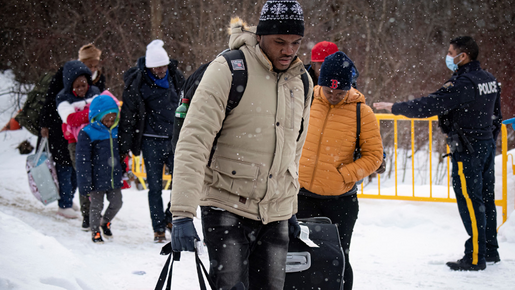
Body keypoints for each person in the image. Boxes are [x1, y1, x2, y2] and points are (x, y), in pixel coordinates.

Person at [169, 0, 312, 288]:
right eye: (280, 41)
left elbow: (293, 151)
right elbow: (194, 141)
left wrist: (290, 206)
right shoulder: (229, 69)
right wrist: (182, 213)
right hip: (225, 205)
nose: (289, 50)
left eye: (296, 42)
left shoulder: (302, 81)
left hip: (276, 212)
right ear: (260, 36)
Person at [373, 36, 502, 271]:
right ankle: (490, 250)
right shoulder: (489, 80)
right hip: (484, 147)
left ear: (463, 56)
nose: (448, 56)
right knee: (485, 200)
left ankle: (475, 257)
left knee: (471, 203)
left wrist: (396, 108)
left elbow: (430, 105)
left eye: (451, 52)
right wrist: (487, 141)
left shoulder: (464, 84)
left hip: (468, 150)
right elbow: (497, 117)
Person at [297, 51, 383, 290]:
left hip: (340, 201)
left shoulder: (361, 112)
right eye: (329, 90)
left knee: (338, 258)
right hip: (301, 196)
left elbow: (374, 156)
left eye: (340, 91)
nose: (333, 96)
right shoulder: (305, 100)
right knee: (299, 256)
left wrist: (344, 175)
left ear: (349, 87)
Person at [118, 39, 185, 243]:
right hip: (150, 141)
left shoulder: (175, 77)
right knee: (155, 187)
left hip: (174, 139)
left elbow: (189, 101)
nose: (161, 70)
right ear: (149, 67)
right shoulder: (137, 84)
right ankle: (158, 228)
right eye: (157, 67)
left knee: (181, 183)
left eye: (164, 66)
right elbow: (128, 118)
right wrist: (124, 147)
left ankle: (170, 218)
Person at [40, 43, 105, 220]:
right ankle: (65, 203)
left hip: (86, 131)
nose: (93, 68)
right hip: (61, 127)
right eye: (89, 64)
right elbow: (49, 99)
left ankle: (68, 197)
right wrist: (45, 124)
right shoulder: (64, 74)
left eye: (95, 64)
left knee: (79, 166)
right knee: (65, 165)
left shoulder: (98, 78)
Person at [55, 60, 100, 230]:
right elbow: (70, 119)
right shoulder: (63, 98)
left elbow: (104, 112)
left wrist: (85, 114)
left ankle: (95, 211)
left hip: (96, 139)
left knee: (96, 177)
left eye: (84, 85)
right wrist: (91, 112)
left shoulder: (94, 92)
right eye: (77, 87)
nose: (81, 89)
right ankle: (87, 215)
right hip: (76, 143)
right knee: (83, 177)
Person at [76, 94, 123, 244]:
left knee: (117, 202)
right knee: (96, 206)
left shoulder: (116, 131)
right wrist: (85, 183)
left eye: (112, 119)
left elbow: (120, 154)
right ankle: (95, 231)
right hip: (96, 178)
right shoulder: (88, 133)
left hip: (113, 175)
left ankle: (105, 222)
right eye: (106, 119)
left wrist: (123, 170)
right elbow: (83, 160)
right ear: (97, 117)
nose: (110, 122)